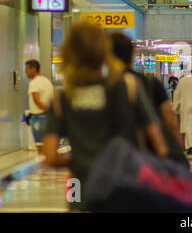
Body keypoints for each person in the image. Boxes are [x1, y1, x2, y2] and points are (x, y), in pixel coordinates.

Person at [42, 23, 168, 211]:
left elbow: (50, 156)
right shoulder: (127, 86)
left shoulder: (61, 99)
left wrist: (78, 159)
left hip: (79, 185)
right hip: (124, 186)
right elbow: (160, 146)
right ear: (103, 51)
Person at [110, 32, 185, 162]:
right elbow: (170, 120)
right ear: (132, 56)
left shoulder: (104, 86)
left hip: (113, 158)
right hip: (150, 156)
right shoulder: (150, 83)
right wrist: (178, 153)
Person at [25, 59, 54, 150]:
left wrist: (44, 109)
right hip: (49, 117)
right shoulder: (47, 81)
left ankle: (43, 164)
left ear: (33, 69)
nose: (26, 72)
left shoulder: (34, 83)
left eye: (27, 70)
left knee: (40, 147)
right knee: (48, 146)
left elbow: (37, 101)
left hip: (38, 117)